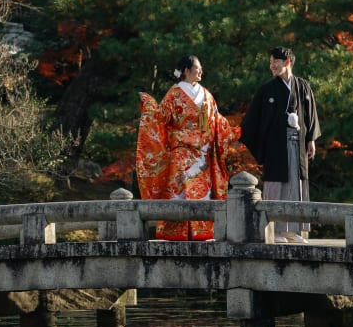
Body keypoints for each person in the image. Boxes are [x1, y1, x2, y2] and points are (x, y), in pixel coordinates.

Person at [136, 55, 240, 241]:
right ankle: (177, 232)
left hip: (203, 152)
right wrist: (150, 106)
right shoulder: (174, 93)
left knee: (203, 192)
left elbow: (217, 121)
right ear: (186, 70)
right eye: (197, 68)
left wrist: (234, 131)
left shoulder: (206, 94)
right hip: (181, 150)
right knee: (179, 191)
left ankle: (201, 231)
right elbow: (161, 118)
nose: (201, 71)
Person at [239, 47, 320, 244]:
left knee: (297, 184)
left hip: (298, 143)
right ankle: (274, 230)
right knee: (277, 185)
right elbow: (253, 119)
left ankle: (293, 230)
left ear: (287, 62)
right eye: (270, 62)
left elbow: (310, 115)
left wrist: (311, 139)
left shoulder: (303, 86)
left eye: (275, 62)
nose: (272, 66)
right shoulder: (267, 89)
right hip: (276, 145)